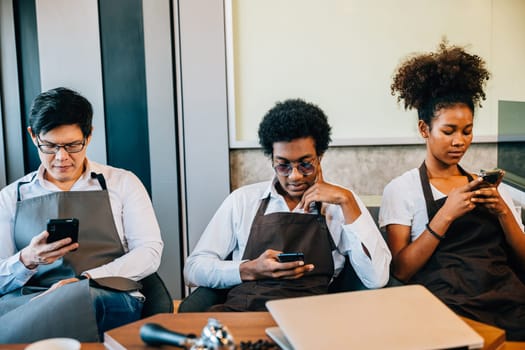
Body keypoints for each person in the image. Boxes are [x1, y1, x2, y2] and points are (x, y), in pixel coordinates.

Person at [184, 98, 391, 311]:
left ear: (320, 157)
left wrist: (347, 202)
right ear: (271, 160)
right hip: (244, 313)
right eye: (283, 166)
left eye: (305, 164)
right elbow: (193, 269)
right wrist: (250, 269)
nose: (295, 176)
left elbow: (377, 278)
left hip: (314, 317)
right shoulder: (243, 201)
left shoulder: (341, 203)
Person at [380, 41, 525, 340]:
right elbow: (401, 271)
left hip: (509, 303)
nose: (459, 141)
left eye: (467, 130)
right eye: (448, 131)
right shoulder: (402, 189)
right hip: (447, 311)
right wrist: (445, 215)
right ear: (424, 129)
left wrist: (502, 212)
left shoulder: (489, 187)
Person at [0, 87, 164, 343]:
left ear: (88, 136)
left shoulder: (122, 183)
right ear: (34, 136)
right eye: (50, 146)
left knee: (86, 301)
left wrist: (84, 280)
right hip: (32, 298)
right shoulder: (11, 197)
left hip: (103, 293)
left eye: (73, 145)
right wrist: (27, 259)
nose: (62, 157)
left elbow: (149, 252)